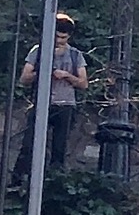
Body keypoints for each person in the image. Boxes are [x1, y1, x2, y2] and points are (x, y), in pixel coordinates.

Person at [18, 12, 90, 168]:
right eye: (56, 37)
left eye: (63, 38)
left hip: (65, 105)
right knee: (29, 146)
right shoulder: (38, 51)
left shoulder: (75, 55)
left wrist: (67, 76)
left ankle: (54, 178)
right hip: (41, 103)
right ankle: (20, 178)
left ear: (69, 37)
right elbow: (24, 78)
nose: (59, 41)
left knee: (59, 149)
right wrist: (44, 72)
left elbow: (84, 84)